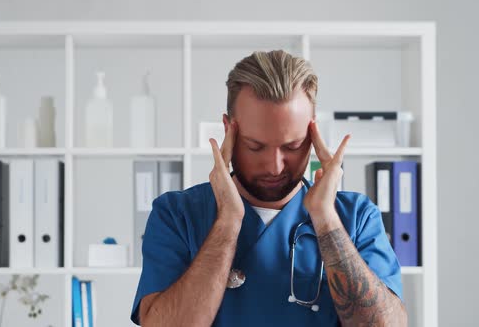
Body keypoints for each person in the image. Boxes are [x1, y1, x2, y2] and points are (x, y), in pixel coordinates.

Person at [130, 50, 407, 326]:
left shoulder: (356, 217)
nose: (274, 166)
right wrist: (227, 221)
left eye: (292, 146)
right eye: (255, 146)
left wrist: (325, 219)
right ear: (229, 130)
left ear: (313, 134)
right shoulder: (178, 215)